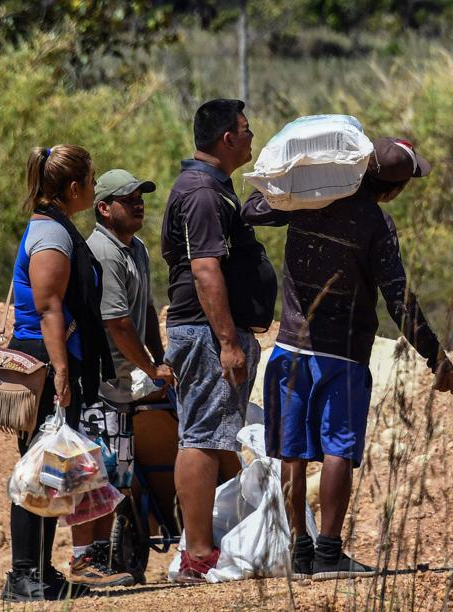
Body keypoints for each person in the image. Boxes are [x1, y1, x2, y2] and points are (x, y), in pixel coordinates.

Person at [243, 136, 453, 580]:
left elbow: (252, 209)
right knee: (337, 449)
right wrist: (435, 355)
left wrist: (294, 176)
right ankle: (329, 552)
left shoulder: (307, 200)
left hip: (289, 350)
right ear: (393, 189)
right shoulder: (376, 223)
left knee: (292, 452)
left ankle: (300, 548)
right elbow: (398, 298)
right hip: (342, 357)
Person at [2, 144, 118, 601]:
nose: (95, 186)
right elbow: (49, 307)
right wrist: (63, 372)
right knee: (36, 466)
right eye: (91, 180)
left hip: (53, 361)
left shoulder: (56, 227)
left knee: (51, 469)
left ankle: (40, 572)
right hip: (46, 364)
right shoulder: (52, 234)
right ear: (73, 188)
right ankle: (23, 576)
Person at [160, 99, 264, 582]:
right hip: (205, 333)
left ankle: (207, 543)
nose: (251, 136)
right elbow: (205, 269)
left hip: (209, 331)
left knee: (211, 433)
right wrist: (227, 341)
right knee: (201, 436)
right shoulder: (202, 193)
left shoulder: (213, 188)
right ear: (227, 138)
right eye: (246, 129)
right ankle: (197, 553)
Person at [67, 169, 176, 586]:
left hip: (123, 386)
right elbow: (117, 323)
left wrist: (159, 358)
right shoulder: (102, 252)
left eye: (140, 197)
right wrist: (151, 368)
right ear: (103, 208)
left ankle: (102, 559)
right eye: (128, 199)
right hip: (99, 385)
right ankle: (84, 560)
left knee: (117, 477)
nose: (138, 204)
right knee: (93, 475)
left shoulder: (137, 249)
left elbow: (143, 308)